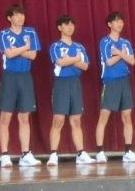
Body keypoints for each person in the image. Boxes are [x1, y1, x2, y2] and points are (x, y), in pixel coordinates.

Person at [0, 4, 41, 168]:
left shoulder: (30, 32)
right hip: (9, 76)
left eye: (22, 14)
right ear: (9, 18)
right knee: (5, 117)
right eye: (16, 15)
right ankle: (4, 154)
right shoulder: (3, 34)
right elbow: (8, 53)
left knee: (24, 117)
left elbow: (33, 55)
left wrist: (19, 50)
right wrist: (25, 47)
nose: (20, 17)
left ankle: (25, 153)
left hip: (25, 76)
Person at [47, 15, 93, 165]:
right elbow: (60, 62)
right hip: (61, 83)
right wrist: (76, 59)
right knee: (58, 119)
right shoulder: (55, 46)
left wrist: (70, 60)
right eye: (66, 25)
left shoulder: (79, 47)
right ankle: (53, 154)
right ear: (60, 27)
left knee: (76, 120)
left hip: (75, 83)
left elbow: (85, 66)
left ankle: (81, 153)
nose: (70, 27)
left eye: (72, 24)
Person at [94, 11, 135, 164]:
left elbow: (132, 61)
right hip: (110, 81)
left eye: (121, 21)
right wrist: (122, 55)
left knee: (127, 116)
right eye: (116, 21)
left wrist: (118, 53)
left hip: (124, 80)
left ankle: (128, 151)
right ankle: (99, 151)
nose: (120, 24)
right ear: (109, 24)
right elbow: (109, 62)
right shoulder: (105, 42)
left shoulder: (125, 43)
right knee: (104, 115)